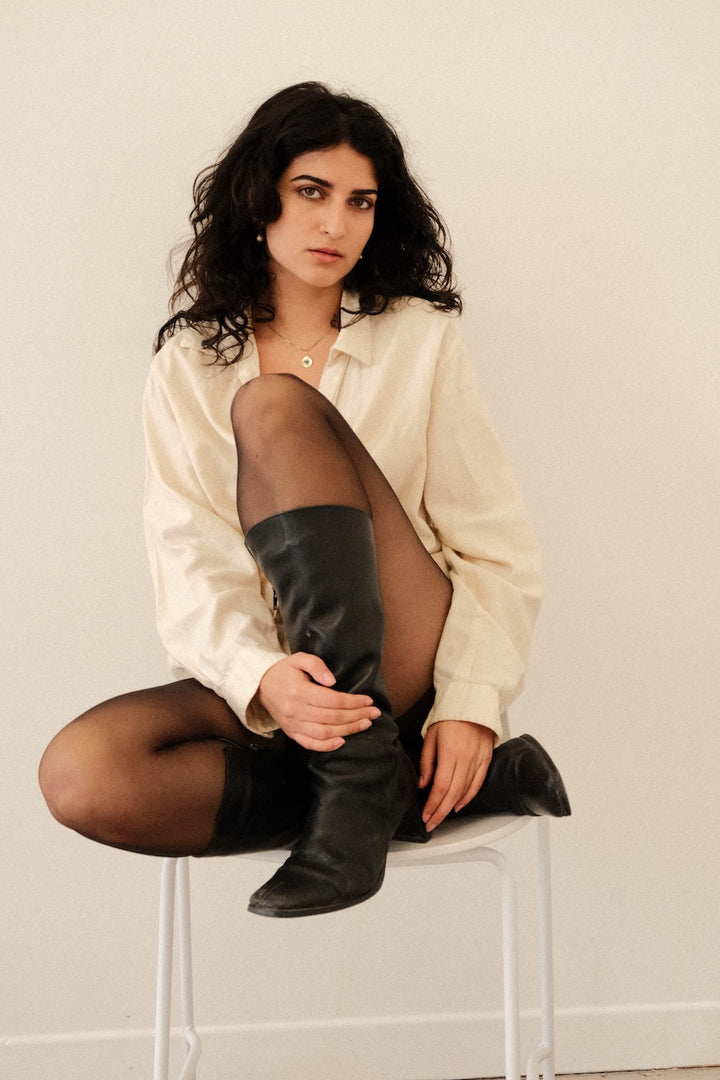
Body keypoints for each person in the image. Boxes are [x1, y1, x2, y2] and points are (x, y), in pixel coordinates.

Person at [39, 82, 569, 919]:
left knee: (273, 407)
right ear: (260, 200)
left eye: (360, 202)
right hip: (284, 681)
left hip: (402, 654)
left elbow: (495, 550)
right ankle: (375, 785)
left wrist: (472, 703)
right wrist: (264, 678)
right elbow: (190, 560)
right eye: (312, 192)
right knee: (83, 773)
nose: (336, 224)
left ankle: (357, 777)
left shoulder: (420, 340)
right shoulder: (188, 365)